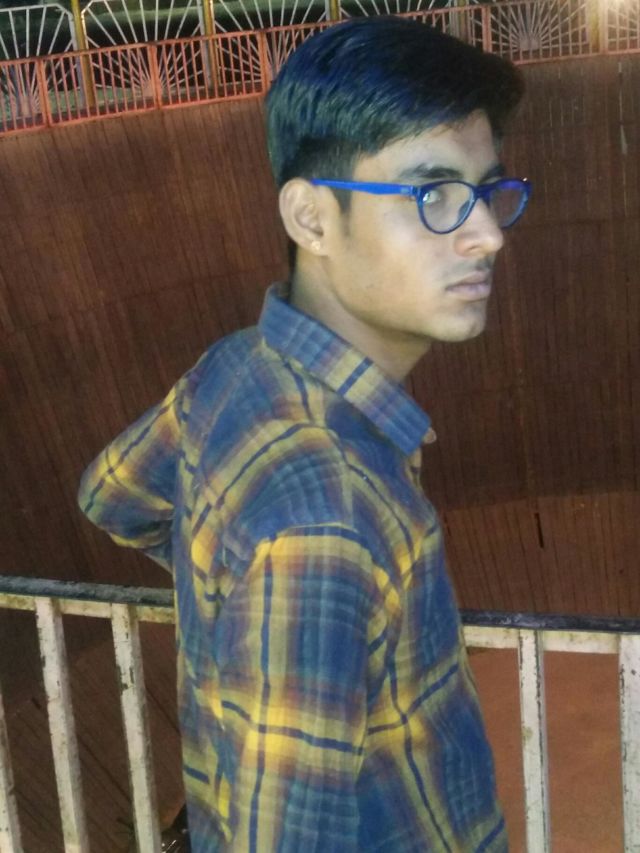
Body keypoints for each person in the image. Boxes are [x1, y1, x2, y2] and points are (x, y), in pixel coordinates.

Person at [79, 16, 530, 851]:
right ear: (312, 218)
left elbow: (111, 496)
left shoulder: (234, 369)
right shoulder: (327, 520)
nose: (488, 234)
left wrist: (234, 589)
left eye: (486, 191)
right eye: (433, 195)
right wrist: (287, 576)